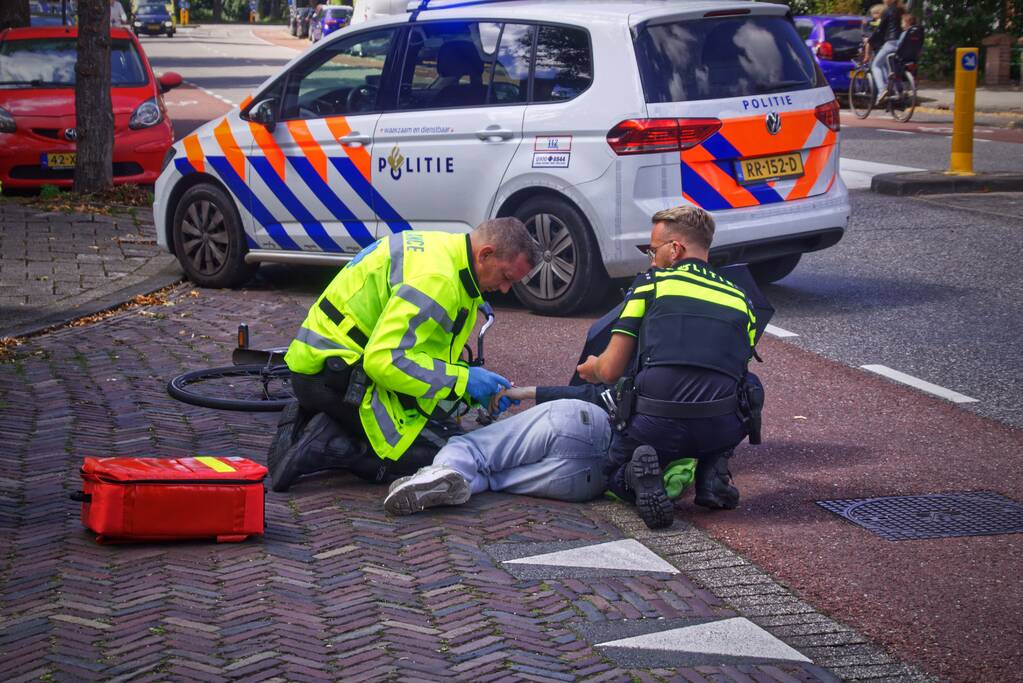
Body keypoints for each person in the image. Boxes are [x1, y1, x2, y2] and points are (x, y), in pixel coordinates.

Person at [269, 219, 540, 492]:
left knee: (448, 436)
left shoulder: (448, 256)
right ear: (486, 254)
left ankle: (320, 418)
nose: (505, 290)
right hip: (336, 376)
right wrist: (463, 379)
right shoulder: (438, 280)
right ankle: (327, 442)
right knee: (438, 458)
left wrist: (468, 389)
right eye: (506, 278)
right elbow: (384, 360)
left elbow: (422, 350)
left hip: (328, 365)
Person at [575, 206, 760, 530]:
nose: (650, 257)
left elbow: (611, 369)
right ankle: (712, 475)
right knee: (752, 385)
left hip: (654, 422)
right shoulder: (741, 299)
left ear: (675, 249)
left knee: (609, 475)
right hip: (718, 424)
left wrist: (593, 369)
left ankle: (635, 478)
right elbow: (736, 373)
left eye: (652, 249)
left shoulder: (652, 284)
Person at [383, 395, 699, 517]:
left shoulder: (634, 329)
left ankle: (440, 471)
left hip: (585, 423)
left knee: (473, 447)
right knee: (494, 477)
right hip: (588, 482)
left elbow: (593, 385)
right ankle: (453, 482)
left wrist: (528, 391)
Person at [869, 0, 904, 104]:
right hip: (901, 42)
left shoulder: (888, 11)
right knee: (885, 64)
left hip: (891, 42)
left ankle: (881, 91)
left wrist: (870, 40)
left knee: (875, 65)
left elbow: (880, 29)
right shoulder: (900, 10)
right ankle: (895, 90)